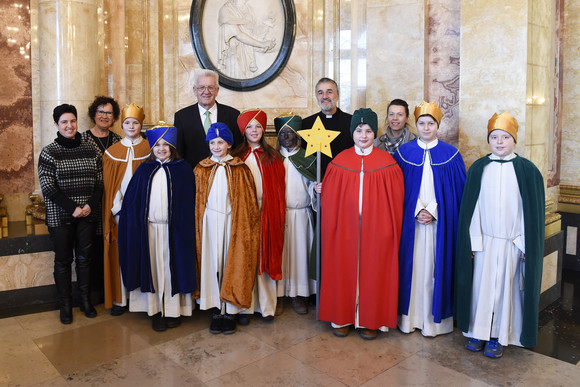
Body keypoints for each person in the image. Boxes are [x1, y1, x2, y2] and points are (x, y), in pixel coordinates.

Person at [456, 112, 545, 358]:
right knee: (481, 288)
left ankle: (498, 335)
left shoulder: (527, 171)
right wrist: (474, 241)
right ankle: (478, 331)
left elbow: (531, 213)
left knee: (506, 289)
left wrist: (525, 244)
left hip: (512, 243)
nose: (499, 142)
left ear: (514, 139)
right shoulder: (479, 168)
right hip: (485, 241)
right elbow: (472, 210)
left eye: (505, 137)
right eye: (494, 137)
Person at [318, 108, 404, 340]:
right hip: (345, 230)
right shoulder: (339, 161)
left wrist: (386, 228)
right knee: (342, 267)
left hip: (376, 231)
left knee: (374, 270)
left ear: (374, 133)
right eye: (359, 130)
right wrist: (323, 190)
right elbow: (329, 200)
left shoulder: (387, 162)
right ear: (352, 132)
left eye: (368, 130)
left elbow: (396, 201)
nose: (364, 135)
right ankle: (342, 316)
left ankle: (371, 319)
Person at [393, 101, 466, 337]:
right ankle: (409, 318)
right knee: (411, 268)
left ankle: (434, 323)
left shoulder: (451, 156)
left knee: (435, 268)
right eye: (422, 123)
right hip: (410, 223)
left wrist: (433, 211)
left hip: (439, 224)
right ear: (416, 124)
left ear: (438, 125)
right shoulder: (403, 154)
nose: (426, 128)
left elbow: (457, 194)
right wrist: (416, 209)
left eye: (430, 123)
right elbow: (396, 190)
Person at [118, 123, 197, 332]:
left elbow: (191, 202)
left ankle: (173, 311)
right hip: (150, 231)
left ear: (172, 147)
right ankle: (155, 310)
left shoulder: (183, 169)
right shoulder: (144, 170)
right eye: (158, 145)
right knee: (153, 269)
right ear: (152, 148)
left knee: (172, 270)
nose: (162, 149)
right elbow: (132, 202)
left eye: (166, 145)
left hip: (176, 232)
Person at [38, 104, 103, 324]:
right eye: (64, 122)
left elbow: (100, 181)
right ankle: (64, 304)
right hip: (61, 217)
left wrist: (89, 206)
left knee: (85, 260)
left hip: (87, 214)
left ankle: (84, 301)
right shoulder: (49, 151)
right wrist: (72, 208)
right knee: (64, 261)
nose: (69, 125)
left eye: (72, 121)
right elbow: (48, 186)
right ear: (56, 124)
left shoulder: (90, 148)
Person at [195, 123, 260, 335]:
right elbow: (196, 200)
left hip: (233, 222)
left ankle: (230, 309)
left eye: (220, 142)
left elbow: (249, 202)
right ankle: (216, 308)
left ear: (229, 144)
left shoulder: (240, 169)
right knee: (212, 263)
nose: (216, 146)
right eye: (212, 142)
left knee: (231, 262)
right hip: (209, 222)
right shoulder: (201, 168)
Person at [232, 109, 285, 323]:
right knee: (246, 258)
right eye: (250, 127)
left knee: (264, 257)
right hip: (244, 214)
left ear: (263, 131)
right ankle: (245, 307)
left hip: (267, 212)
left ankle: (266, 306)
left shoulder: (272, 157)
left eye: (258, 127)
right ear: (244, 131)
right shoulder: (237, 156)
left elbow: (279, 189)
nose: (254, 131)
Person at [102, 103, 150, 316]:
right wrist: (119, 209)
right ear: (122, 125)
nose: (132, 126)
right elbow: (110, 186)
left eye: (136, 122)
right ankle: (122, 300)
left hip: (145, 213)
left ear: (141, 125)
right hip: (121, 214)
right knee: (121, 252)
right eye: (128, 122)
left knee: (143, 253)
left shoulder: (151, 148)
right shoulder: (112, 153)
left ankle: (143, 301)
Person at [274, 113, 317, 314]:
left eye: (290, 133)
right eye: (283, 133)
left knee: (301, 255)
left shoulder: (307, 158)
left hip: (301, 215)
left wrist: (316, 191)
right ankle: (280, 294)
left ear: (298, 135)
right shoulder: (274, 159)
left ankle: (300, 294)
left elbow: (312, 184)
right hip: (279, 216)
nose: (287, 137)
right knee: (281, 256)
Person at [82, 96, 122, 304]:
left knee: (110, 245)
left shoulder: (118, 141)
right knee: (92, 247)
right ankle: (93, 293)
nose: (104, 116)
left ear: (114, 117)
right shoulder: (82, 140)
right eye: (100, 111)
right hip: (89, 201)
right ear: (93, 114)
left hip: (113, 200)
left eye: (109, 112)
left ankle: (111, 290)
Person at [174, 69, 243, 168]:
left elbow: (238, 149)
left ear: (217, 90)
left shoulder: (233, 115)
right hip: (194, 177)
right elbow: (178, 154)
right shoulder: (182, 117)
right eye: (201, 87)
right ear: (194, 90)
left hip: (226, 175)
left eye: (210, 87)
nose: (206, 92)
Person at [302, 77, 353, 177]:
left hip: (345, 179)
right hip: (317, 183)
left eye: (329, 92)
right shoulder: (306, 124)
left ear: (337, 95)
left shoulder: (351, 122)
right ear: (316, 96)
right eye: (320, 92)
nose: (324, 96)